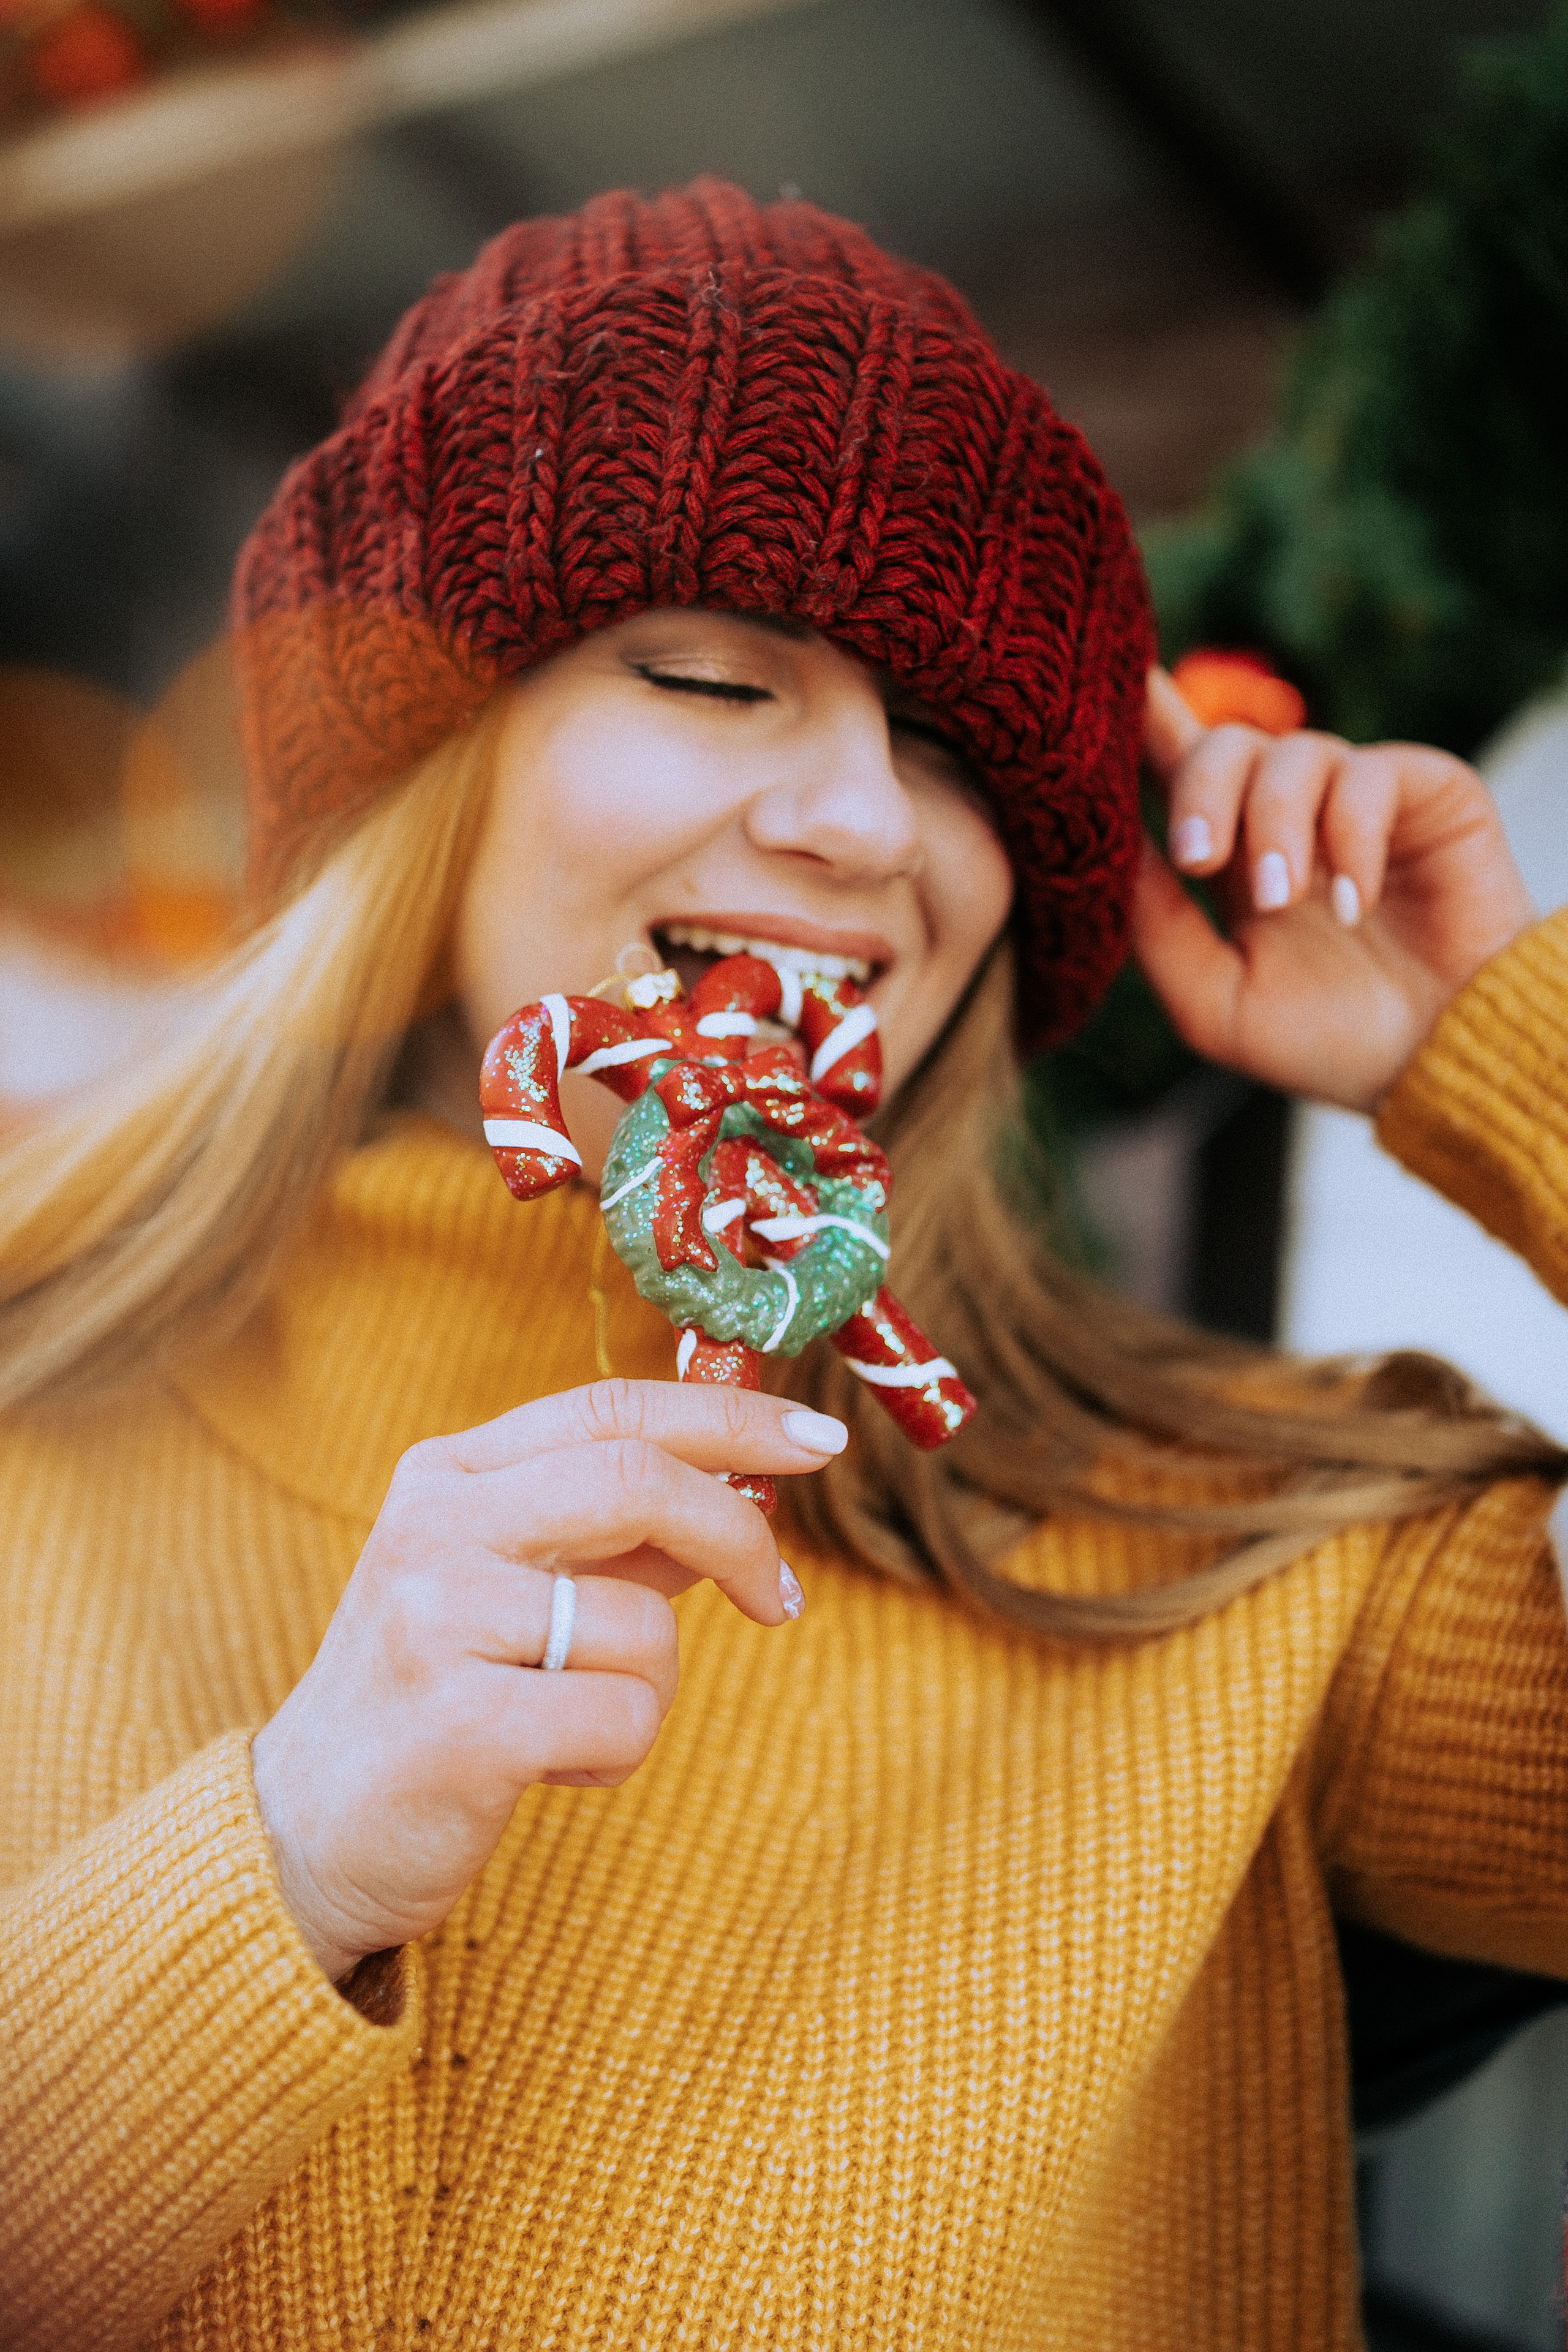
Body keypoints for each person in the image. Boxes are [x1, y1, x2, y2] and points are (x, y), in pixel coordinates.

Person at [1, 179, 1565, 2352]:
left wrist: (1501, 1045)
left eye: (954, 747)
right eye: (715, 676)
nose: (862, 820)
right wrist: (278, 1864)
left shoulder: (1251, 1579)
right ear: (413, 765)